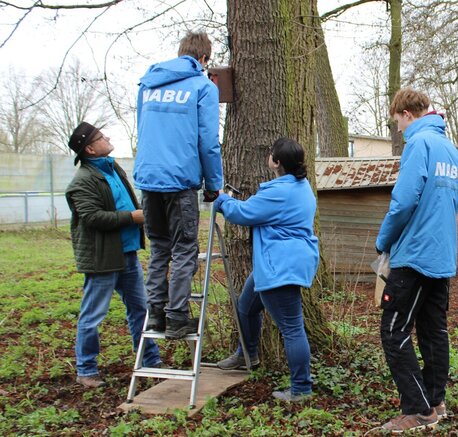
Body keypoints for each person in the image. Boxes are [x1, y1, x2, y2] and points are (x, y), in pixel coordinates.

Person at [375, 88, 458, 433]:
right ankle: (435, 402)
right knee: (433, 331)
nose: (397, 128)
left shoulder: (418, 145)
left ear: (407, 114)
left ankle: (417, 409)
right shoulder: (453, 153)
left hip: (413, 255)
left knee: (394, 330)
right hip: (442, 254)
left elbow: (404, 201)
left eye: (397, 121)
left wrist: (383, 241)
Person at [213, 138, 319, 401]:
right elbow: (260, 210)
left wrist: (223, 201)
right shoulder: (300, 185)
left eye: (271, 153)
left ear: (276, 161)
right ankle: (247, 354)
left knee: (292, 328)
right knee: (246, 307)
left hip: (278, 266)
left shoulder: (278, 192)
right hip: (282, 263)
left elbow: (245, 213)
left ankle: (301, 389)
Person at [133, 30, 223, 339]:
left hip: (148, 178)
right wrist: (214, 185)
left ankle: (156, 313)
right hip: (180, 181)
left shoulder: (148, 84)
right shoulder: (203, 87)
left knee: (159, 246)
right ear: (203, 59)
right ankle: (177, 317)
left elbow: (142, 129)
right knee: (184, 247)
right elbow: (208, 142)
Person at [65, 122, 163, 388]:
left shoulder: (112, 168)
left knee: (140, 310)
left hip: (128, 253)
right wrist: (133, 217)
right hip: (103, 258)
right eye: (100, 137)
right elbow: (92, 217)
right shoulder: (82, 181)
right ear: (90, 148)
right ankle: (86, 370)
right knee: (93, 315)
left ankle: (150, 361)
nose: (106, 138)